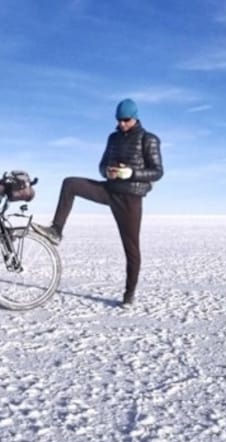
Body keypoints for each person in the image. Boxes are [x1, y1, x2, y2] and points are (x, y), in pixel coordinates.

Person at [32, 98, 163, 308]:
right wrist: (108, 172)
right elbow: (102, 166)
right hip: (109, 190)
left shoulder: (149, 139)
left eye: (126, 120)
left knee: (131, 248)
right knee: (70, 183)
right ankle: (56, 230)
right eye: (119, 120)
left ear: (135, 117)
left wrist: (132, 173)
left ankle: (129, 294)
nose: (121, 124)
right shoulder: (113, 138)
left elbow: (158, 172)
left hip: (130, 198)